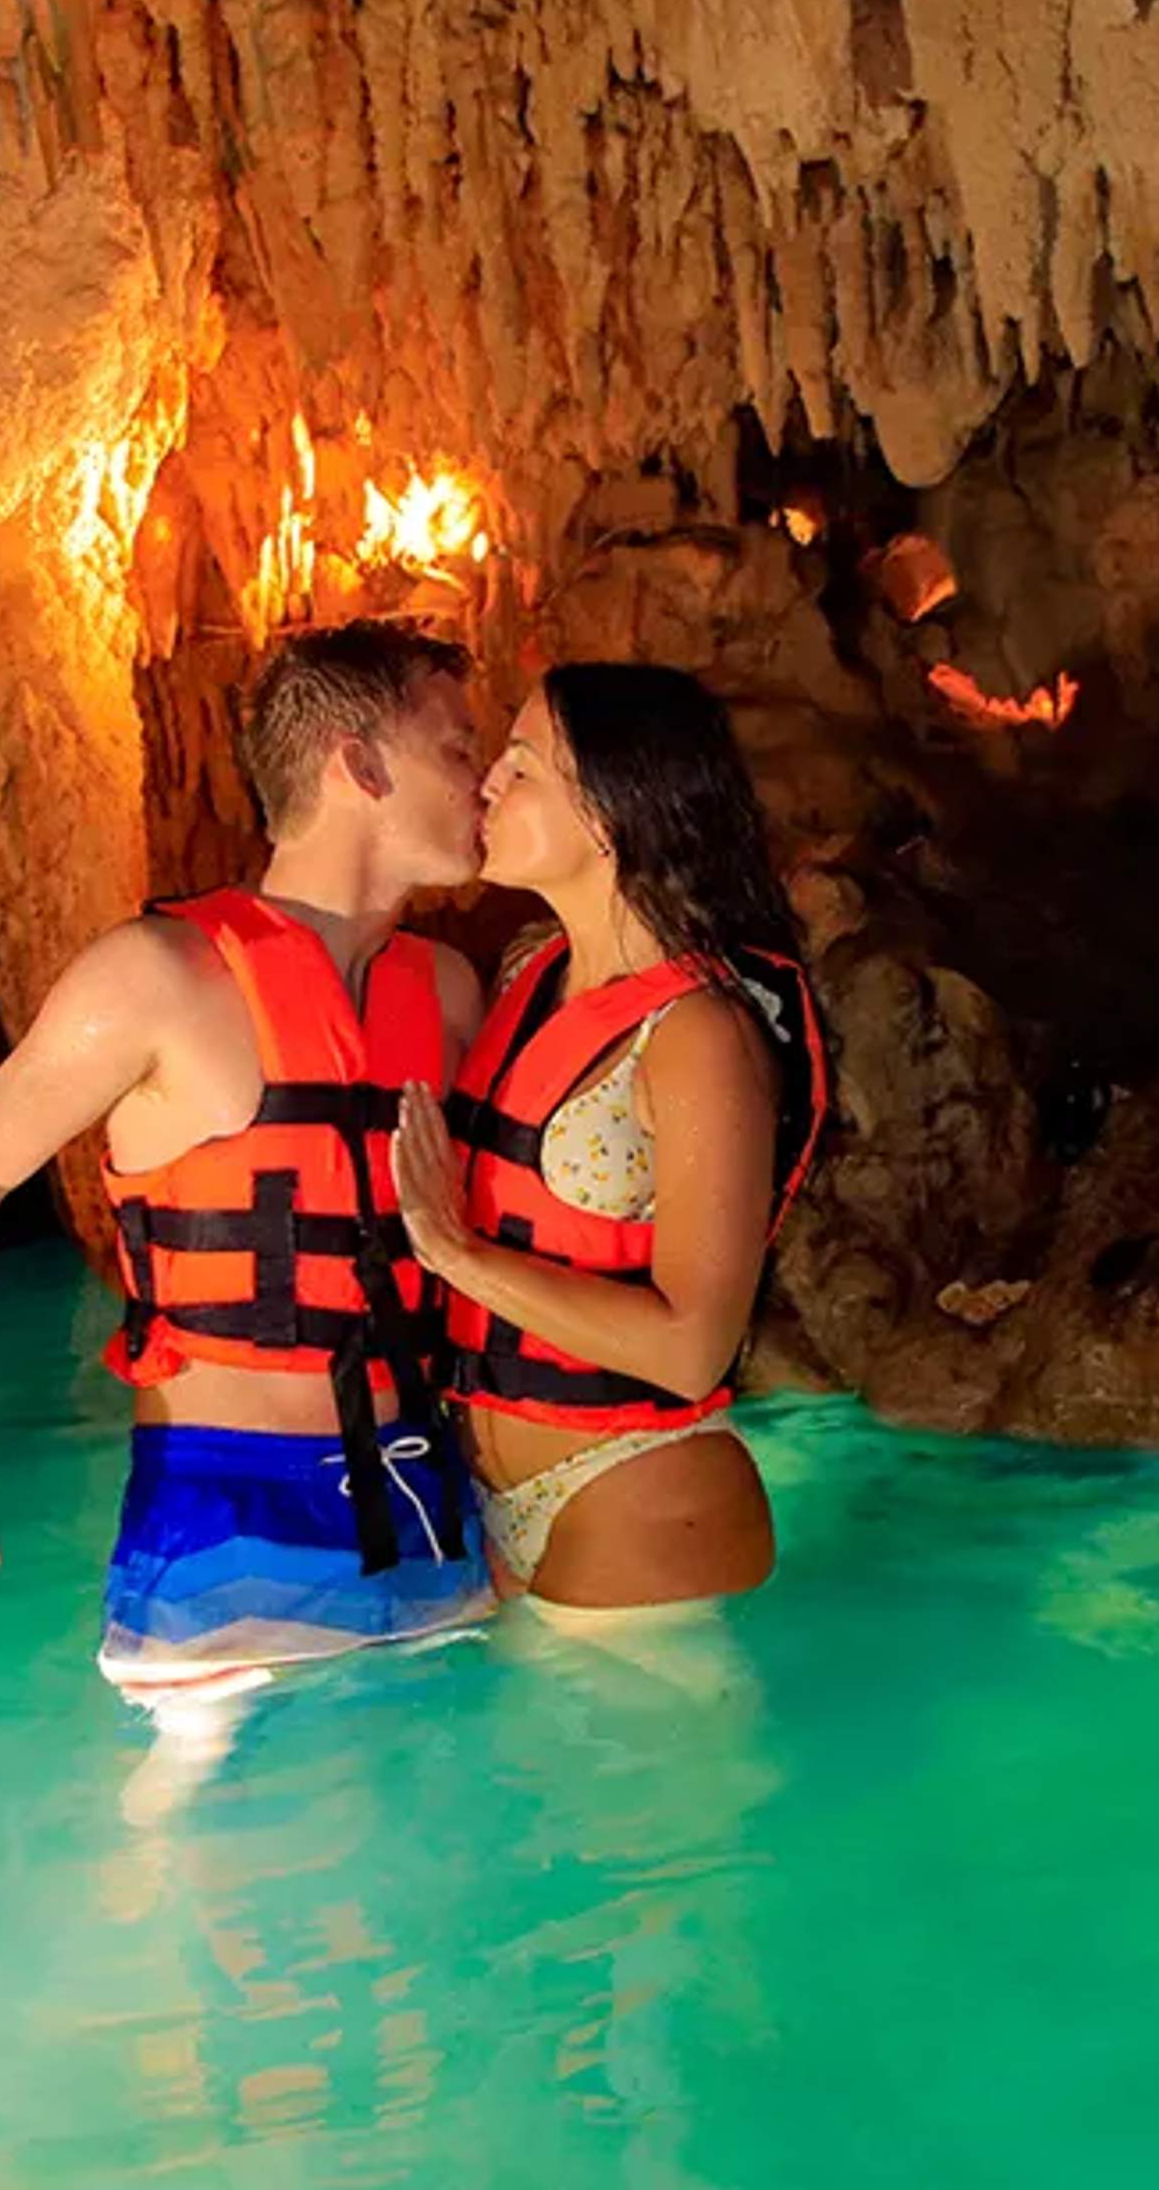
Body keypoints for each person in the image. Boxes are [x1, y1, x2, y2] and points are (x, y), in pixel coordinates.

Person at [0, 622, 497, 1693]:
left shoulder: (445, 992)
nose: (483, 782)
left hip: (429, 1504)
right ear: (359, 765)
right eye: (457, 749)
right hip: (225, 1515)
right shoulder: (158, 977)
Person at [391, 662, 827, 1611]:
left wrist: (456, 1255)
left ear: (609, 815)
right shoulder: (532, 980)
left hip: (640, 1491)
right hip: (490, 1493)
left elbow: (692, 1349)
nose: (487, 785)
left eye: (521, 767)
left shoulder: (699, 1036)